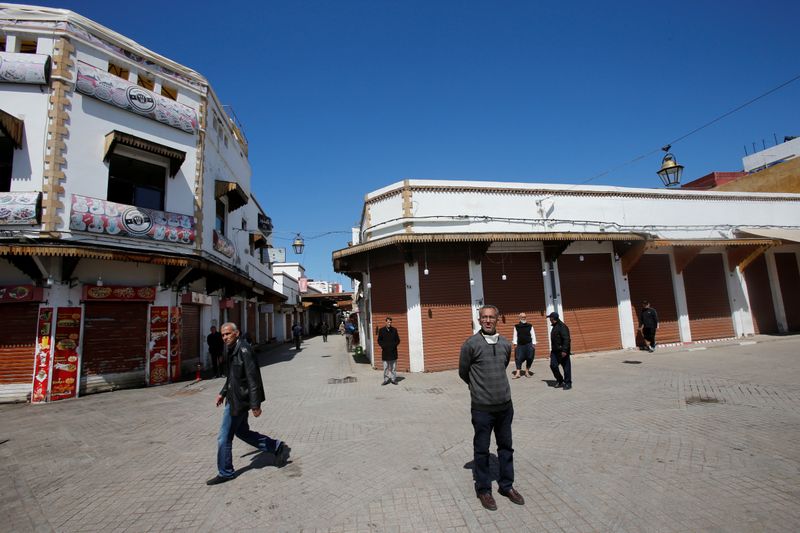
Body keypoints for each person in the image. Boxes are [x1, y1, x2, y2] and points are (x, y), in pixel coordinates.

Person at [458, 305, 525, 511]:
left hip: (505, 406)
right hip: (482, 408)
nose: (487, 321)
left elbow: (503, 365)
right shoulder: (470, 345)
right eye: (484, 317)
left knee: (506, 448)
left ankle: (506, 486)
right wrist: (479, 388)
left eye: (491, 317)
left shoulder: (505, 343)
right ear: (479, 320)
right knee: (482, 449)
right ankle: (484, 490)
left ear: (498, 319)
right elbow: (464, 372)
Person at [207, 322, 289, 485]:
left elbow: (253, 379)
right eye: (223, 335)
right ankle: (276, 446)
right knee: (242, 432)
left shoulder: (244, 350)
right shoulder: (231, 349)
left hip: (240, 401)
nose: (225, 337)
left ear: (236, 333)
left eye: (228, 334)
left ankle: (226, 472)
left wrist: (255, 405)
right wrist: (222, 393)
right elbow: (233, 377)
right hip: (233, 397)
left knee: (224, 437)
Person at [547, 312, 572, 390]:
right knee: (553, 365)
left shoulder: (562, 327)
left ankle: (568, 383)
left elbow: (567, 339)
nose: (549, 319)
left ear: (553, 318)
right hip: (554, 351)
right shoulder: (554, 326)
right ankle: (560, 380)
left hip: (562, 351)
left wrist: (564, 350)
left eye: (550, 318)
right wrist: (551, 351)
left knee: (566, 368)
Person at [511, 312, 536, 379]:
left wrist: (533, 343)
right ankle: (518, 373)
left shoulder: (530, 326)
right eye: (522, 317)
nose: (523, 318)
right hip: (520, 345)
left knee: (530, 357)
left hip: (529, 344)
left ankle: (527, 372)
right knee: (518, 358)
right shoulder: (516, 326)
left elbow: (533, 334)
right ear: (519, 318)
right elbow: (515, 335)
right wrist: (515, 344)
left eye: (524, 317)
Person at [377, 317, 401, 385]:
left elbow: (398, 340)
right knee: (386, 368)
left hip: (393, 352)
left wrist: (394, 346)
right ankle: (386, 380)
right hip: (385, 352)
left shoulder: (394, 330)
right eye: (388, 322)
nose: (389, 323)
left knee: (393, 368)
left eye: (390, 322)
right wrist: (383, 346)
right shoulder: (381, 330)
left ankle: (393, 379)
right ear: (385, 322)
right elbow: (379, 340)